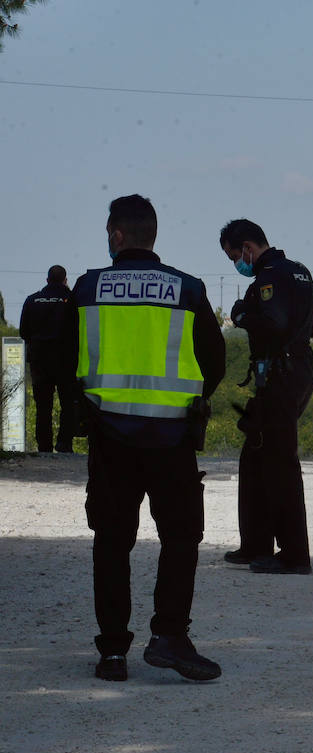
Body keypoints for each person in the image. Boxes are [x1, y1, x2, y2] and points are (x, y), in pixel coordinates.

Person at [64, 195, 226, 681]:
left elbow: (62, 354)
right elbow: (214, 359)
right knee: (181, 537)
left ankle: (113, 652)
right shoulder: (188, 289)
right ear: (152, 234)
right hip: (171, 436)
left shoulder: (88, 287)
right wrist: (188, 400)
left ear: (117, 235)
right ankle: (170, 636)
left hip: (109, 435)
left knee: (112, 541)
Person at [218, 219, 313, 575]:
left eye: (235, 256)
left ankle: (294, 555)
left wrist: (242, 313)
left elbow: (274, 324)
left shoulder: (269, 277)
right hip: (296, 372)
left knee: (280, 462)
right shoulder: (300, 272)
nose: (237, 263)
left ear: (247, 248)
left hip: (281, 373)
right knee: (256, 457)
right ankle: (256, 544)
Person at [19, 265, 78, 453]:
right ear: (65, 280)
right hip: (65, 360)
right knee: (67, 404)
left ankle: (44, 446)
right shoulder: (71, 300)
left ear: (46, 280)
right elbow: (79, 330)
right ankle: (64, 443)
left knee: (43, 406)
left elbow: (23, 332)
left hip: (39, 361)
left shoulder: (32, 300)